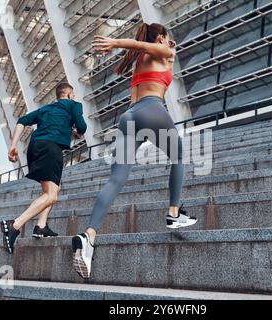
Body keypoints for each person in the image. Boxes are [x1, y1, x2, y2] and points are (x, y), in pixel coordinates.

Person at [71, 23, 197, 279]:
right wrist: (116, 43)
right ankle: (174, 213)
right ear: (161, 37)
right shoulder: (163, 52)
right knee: (180, 157)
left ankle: (89, 236)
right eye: (167, 38)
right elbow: (143, 45)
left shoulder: (140, 62)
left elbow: (141, 53)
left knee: (116, 179)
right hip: (153, 109)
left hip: (129, 116)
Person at [1, 82, 87, 254]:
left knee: (53, 189)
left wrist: (13, 145)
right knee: (51, 195)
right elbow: (82, 127)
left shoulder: (46, 109)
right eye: (73, 95)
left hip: (35, 147)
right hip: (51, 147)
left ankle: (41, 226)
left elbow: (22, 121)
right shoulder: (74, 105)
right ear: (69, 95)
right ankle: (14, 225)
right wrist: (76, 130)